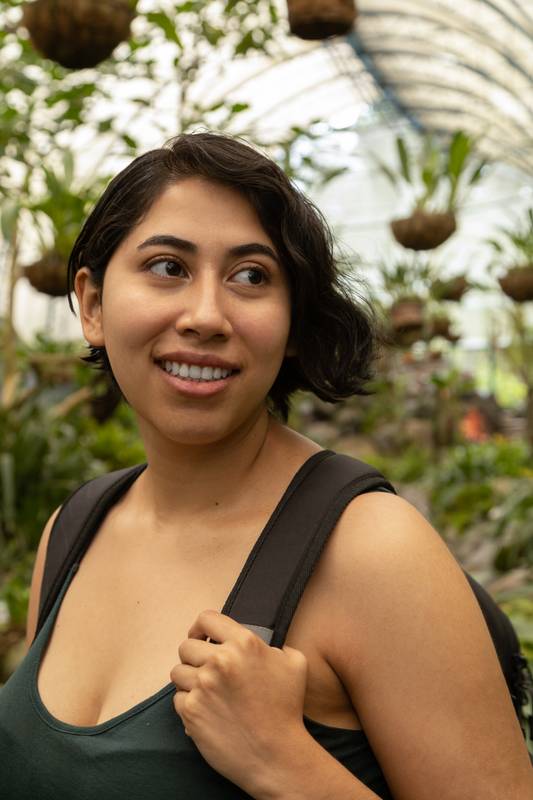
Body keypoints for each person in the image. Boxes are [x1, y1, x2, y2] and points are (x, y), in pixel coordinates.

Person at [0, 132, 532, 799]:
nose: (206, 316)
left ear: (291, 325)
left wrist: (287, 764)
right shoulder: (75, 528)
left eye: (251, 277)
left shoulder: (371, 551)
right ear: (94, 304)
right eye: (167, 266)